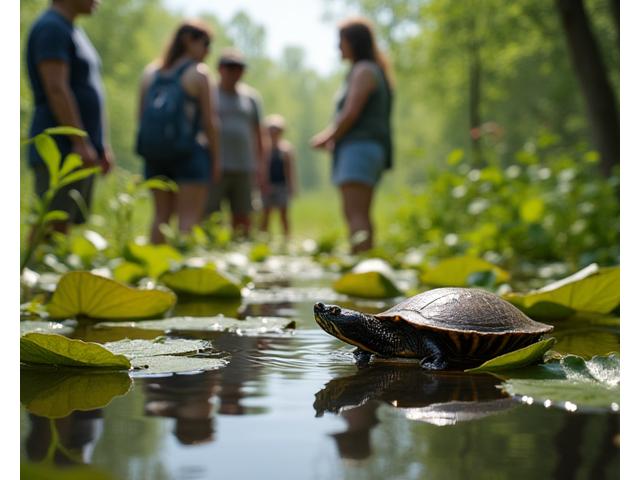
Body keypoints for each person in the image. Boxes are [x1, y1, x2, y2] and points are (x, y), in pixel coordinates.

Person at [25, 0, 114, 234]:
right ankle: (33, 269)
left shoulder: (72, 29)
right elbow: (56, 88)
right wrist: (79, 142)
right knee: (50, 223)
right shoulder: (51, 28)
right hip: (61, 148)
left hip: (80, 147)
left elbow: (91, 90)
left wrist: (100, 144)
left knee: (64, 223)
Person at [310, 17, 393, 253]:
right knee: (361, 213)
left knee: (355, 213)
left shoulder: (364, 70)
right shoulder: (370, 70)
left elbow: (350, 113)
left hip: (359, 149)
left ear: (354, 43)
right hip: (365, 150)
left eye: (341, 41)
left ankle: (361, 262)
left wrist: (327, 137)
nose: (338, 47)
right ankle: (366, 261)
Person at [137, 20, 220, 244]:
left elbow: (141, 118)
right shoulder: (199, 73)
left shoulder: (150, 73)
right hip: (189, 155)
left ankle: (153, 271)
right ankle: (184, 273)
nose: (208, 51)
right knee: (189, 218)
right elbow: (210, 123)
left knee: (160, 217)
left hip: (155, 155)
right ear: (188, 41)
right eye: (206, 43)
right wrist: (215, 160)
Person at [206, 48, 265, 237]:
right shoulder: (209, 94)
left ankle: (241, 252)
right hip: (215, 165)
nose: (235, 72)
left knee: (243, 215)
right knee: (210, 214)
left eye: (239, 68)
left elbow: (258, 133)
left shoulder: (251, 97)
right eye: (230, 67)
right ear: (220, 68)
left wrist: (261, 166)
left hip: (244, 166)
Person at [260, 114, 296, 238]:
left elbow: (290, 170)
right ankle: (263, 239)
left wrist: (291, 187)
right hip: (267, 186)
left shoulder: (286, 149)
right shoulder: (264, 148)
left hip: (281, 186)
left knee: (284, 214)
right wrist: (263, 184)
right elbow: (262, 168)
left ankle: (287, 239)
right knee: (265, 214)